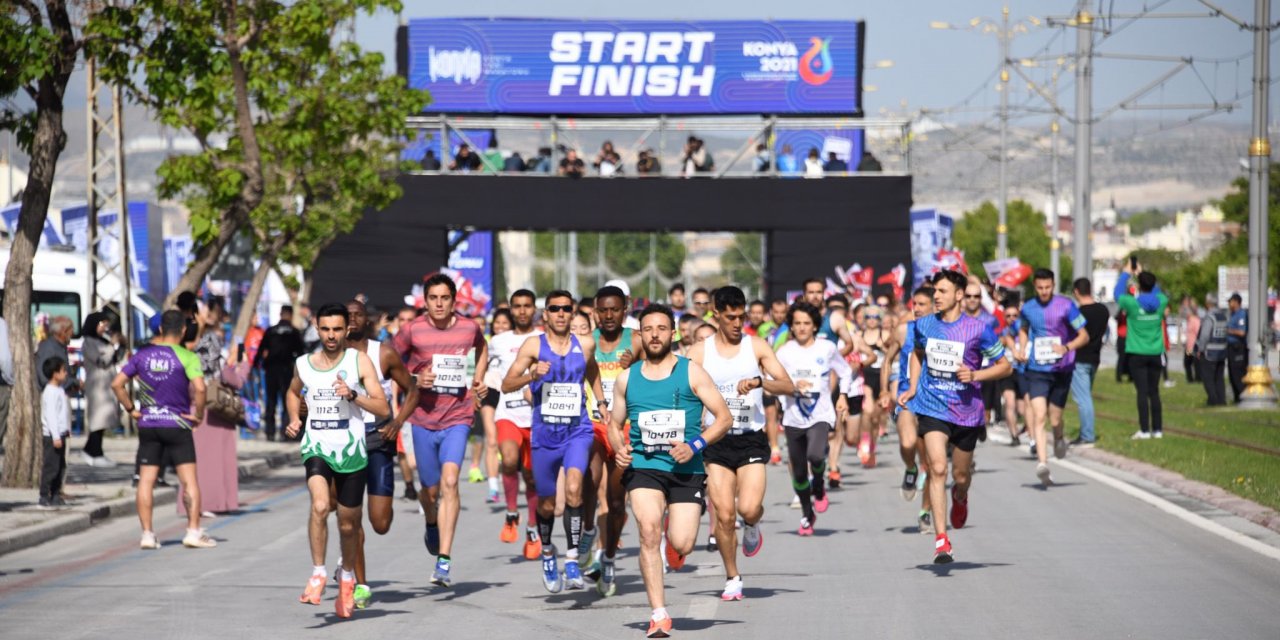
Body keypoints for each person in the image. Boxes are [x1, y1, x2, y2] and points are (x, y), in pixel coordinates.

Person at [606, 304, 732, 637]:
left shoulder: (691, 372)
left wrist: (694, 446)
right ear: (640, 335)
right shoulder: (626, 379)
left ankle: (675, 541)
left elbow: (724, 418)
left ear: (673, 333)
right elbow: (614, 424)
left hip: (685, 467)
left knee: (683, 542)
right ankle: (659, 614)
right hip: (645, 466)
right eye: (648, 329)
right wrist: (619, 448)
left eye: (662, 328)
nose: (655, 335)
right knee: (648, 531)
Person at [686, 286, 793, 601]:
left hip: (750, 440)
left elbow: (787, 385)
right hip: (715, 442)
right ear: (716, 314)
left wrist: (761, 382)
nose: (736, 323)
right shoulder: (699, 351)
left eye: (740, 316)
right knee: (724, 513)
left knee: (747, 508)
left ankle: (753, 523)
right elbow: (679, 387)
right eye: (730, 317)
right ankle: (732, 576)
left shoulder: (756, 346)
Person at [898, 270, 1011, 564]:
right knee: (937, 468)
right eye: (935, 291)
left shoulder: (978, 328)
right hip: (932, 405)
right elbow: (917, 354)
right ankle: (941, 540)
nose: (936, 296)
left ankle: (960, 496)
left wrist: (975, 374)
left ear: (959, 295)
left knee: (960, 476)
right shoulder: (923, 324)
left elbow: (1005, 366)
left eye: (943, 291)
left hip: (966, 411)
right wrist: (912, 386)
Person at [285, 303, 389, 617]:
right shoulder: (304, 364)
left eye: (337, 330)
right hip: (316, 446)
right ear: (317, 328)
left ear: (347, 330)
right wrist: (294, 418)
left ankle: (346, 577)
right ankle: (318, 572)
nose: (331, 336)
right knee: (319, 505)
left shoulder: (360, 362)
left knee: (348, 525)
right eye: (326, 329)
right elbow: (293, 392)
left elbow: (384, 409)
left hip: (352, 451)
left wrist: (354, 395)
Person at [502, 291, 605, 593]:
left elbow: (592, 369)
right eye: (554, 309)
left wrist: (600, 401)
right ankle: (548, 552)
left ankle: (572, 559)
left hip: (578, 429)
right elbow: (508, 383)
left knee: (574, 489)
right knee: (547, 504)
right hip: (545, 434)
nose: (560, 313)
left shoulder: (585, 343)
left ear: (573, 314)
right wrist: (530, 375)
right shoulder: (533, 345)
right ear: (544, 314)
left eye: (566, 309)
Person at [392, 273, 489, 588]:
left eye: (444, 298)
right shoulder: (412, 330)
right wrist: (415, 379)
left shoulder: (468, 328)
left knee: (450, 483)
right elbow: (390, 362)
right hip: (422, 419)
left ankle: (444, 561)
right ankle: (431, 522)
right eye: (433, 298)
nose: (438, 304)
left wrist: (479, 379)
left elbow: (481, 348)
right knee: (430, 491)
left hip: (457, 416)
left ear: (453, 300)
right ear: (425, 301)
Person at [111, 310, 216, 550]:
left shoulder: (142, 356)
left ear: (160, 330)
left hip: (149, 424)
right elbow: (200, 389)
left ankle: (147, 534)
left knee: (146, 480)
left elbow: (117, 383)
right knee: (189, 480)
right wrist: (198, 415)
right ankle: (192, 531)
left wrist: (131, 409)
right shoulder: (187, 357)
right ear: (182, 331)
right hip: (177, 424)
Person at [342, 299, 419, 609]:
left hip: (378, 441)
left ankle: (349, 563)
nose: (351, 320)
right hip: (344, 443)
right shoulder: (330, 356)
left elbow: (412, 389)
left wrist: (398, 422)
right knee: (351, 517)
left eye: (357, 315)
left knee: (380, 522)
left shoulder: (383, 353)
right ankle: (360, 583)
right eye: (346, 316)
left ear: (368, 320)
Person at [583, 285, 644, 596]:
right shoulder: (584, 342)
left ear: (625, 310)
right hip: (592, 426)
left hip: (625, 430)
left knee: (617, 501)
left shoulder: (636, 340)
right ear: (595, 310)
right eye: (603, 310)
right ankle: (588, 536)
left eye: (614, 309)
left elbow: (659, 369)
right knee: (588, 485)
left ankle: (607, 558)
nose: (608, 315)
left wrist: (634, 363)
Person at [776, 301, 851, 535]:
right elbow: (771, 379)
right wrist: (789, 386)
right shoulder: (784, 352)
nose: (801, 328)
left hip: (821, 413)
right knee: (798, 472)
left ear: (815, 326)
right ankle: (807, 514)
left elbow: (845, 370)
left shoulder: (826, 348)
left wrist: (843, 397)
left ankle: (818, 484)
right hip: (793, 416)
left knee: (816, 454)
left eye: (806, 323)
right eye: (797, 323)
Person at [1016, 269, 1089, 485]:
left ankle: (1058, 437)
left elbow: (1084, 335)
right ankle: (1043, 463)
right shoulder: (1028, 308)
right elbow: (1023, 329)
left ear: (1053, 285)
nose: (1044, 291)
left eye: (1047, 287)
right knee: (1039, 416)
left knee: (1055, 417)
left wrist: (1067, 347)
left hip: (1061, 369)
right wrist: (1022, 348)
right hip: (1037, 369)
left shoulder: (1066, 305)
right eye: (1040, 288)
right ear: (1034, 286)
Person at [487, 291, 544, 559]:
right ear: (510, 309)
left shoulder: (544, 337)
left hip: (538, 416)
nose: (522, 311)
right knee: (509, 460)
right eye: (517, 307)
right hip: (507, 413)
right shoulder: (499, 341)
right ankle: (511, 512)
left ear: (534, 308)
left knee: (532, 475)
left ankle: (533, 528)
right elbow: (481, 364)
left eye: (527, 306)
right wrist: (478, 385)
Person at [884, 286, 935, 532]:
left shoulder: (945, 333)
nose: (917, 309)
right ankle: (910, 468)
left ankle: (925, 513)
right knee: (907, 443)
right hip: (907, 397)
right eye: (915, 304)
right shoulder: (905, 330)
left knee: (933, 464)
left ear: (936, 307)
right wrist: (885, 390)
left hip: (937, 400)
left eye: (923, 305)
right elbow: (887, 359)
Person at [182, 301, 239, 515]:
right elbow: (214, 370)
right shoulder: (202, 339)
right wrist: (231, 362)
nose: (208, 315)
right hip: (199, 397)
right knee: (203, 455)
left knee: (204, 455)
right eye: (204, 311)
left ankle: (205, 500)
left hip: (197, 397)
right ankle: (202, 502)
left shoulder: (205, 338)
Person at [1114, 263, 1169, 439]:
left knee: (1142, 392)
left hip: (1137, 354)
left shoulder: (1131, 304)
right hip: (1155, 353)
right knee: (1154, 392)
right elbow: (1158, 292)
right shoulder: (1161, 302)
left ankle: (1144, 430)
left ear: (1139, 286)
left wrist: (1125, 274)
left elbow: (1117, 294)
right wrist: (1143, 274)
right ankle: (1158, 430)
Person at [254, 306, 305, 441]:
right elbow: (301, 353)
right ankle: (285, 432)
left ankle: (270, 431)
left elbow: (261, 349)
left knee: (271, 401)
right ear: (291, 315)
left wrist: (255, 365)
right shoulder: (294, 332)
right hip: (286, 370)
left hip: (271, 369)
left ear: (281, 314)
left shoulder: (271, 331)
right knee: (287, 400)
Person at [1070, 278, 1110, 446]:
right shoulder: (1103, 310)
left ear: (1076, 292)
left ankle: (1087, 435)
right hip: (1095, 357)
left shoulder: (1078, 313)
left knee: (1083, 398)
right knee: (1086, 396)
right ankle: (1085, 431)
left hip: (1079, 358)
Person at [80, 311, 123, 467]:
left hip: (107, 385)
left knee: (104, 421)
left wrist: (119, 346)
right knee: (98, 420)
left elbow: (113, 359)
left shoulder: (102, 340)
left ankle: (92, 450)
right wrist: (112, 345)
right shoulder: (88, 342)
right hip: (97, 386)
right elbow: (102, 361)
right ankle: (95, 452)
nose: (104, 327)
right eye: (101, 324)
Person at [40, 357, 71, 509]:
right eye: (63, 371)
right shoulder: (50, 392)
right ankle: (44, 495)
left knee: (60, 467)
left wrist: (66, 430)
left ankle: (56, 494)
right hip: (52, 436)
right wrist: (56, 436)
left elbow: (62, 414)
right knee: (51, 466)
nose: (66, 373)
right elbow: (51, 416)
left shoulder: (59, 390)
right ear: (55, 373)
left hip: (61, 434)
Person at [1196, 293, 1230, 406]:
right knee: (1219, 378)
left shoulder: (1210, 317)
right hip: (1222, 352)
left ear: (1208, 303)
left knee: (1208, 378)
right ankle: (1222, 399)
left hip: (1210, 352)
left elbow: (1205, 335)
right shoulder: (1223, 316)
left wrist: (1200, 349)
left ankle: (1213, 400)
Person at [1226, 293, 1248, 402]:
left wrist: (1229, 331)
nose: (1229, 304)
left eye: (1230, 301)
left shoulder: (1241, 314)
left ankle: (1242, 397)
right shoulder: (1232, 314)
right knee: (1231, 374)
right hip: (1230, 347)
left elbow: (1242, 332)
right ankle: (1236, 397)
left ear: (1236, 302)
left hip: (1238, 347)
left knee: (1238, 374)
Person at [1182, 297, 1202, 383]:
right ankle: (1190, 379)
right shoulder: (1188, 320)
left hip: (1194, 346)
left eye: (1187, 312)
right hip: (1189, 347)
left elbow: (1198, 333)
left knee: (1196, 363)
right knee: (1187, 362)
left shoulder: (1195, 320)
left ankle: (1198, 378)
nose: (1185, 313)